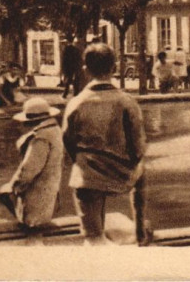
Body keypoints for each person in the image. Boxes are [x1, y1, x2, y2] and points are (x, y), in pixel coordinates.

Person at [62, 43, 149, 246]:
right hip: (120, 174)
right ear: (114, 69)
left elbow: (68, 141)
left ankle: (93, 233)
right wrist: (129, 162)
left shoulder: (75, 103)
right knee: (142, 171)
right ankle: (140, 231)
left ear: (86, 69)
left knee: (92, 237)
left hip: (86, 175)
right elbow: (138, 146)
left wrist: (84, 160)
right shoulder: (127, 102)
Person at [0, 98, 63, 229]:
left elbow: (28, 170)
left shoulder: (41, 138)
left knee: (3, 193)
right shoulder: (55, 130)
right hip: (50, 187)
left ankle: (27, 225)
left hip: (37, 194)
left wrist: (14, 187)